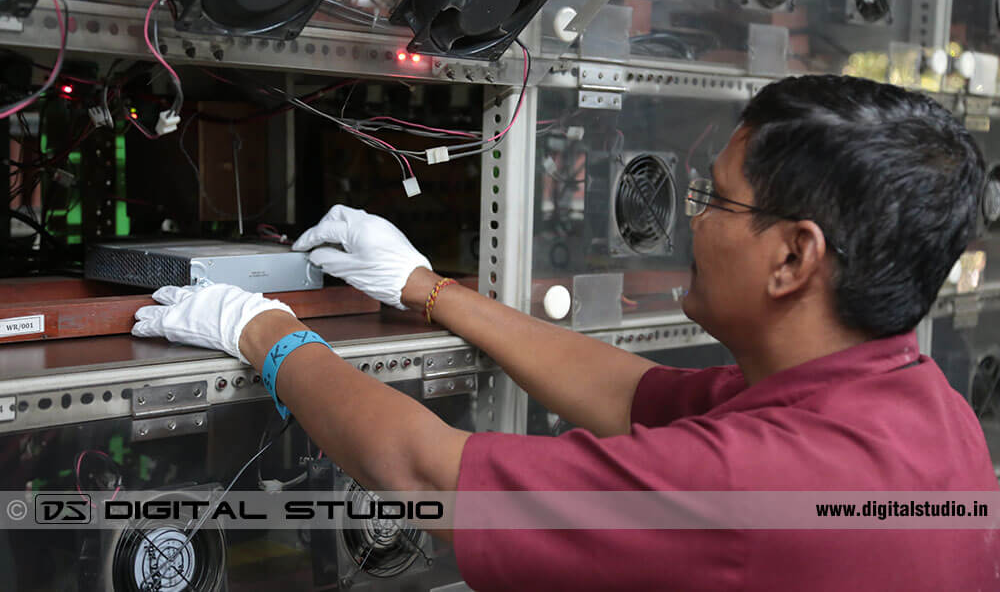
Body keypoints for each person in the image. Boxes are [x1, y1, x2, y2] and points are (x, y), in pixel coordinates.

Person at [132, 75, 999, 590]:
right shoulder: (921, 411)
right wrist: (429, 289)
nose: (691, 222)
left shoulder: (754, 485)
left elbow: (424, 471)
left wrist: (269, 336)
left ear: (793, 259)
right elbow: (631, 394)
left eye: (717, 200)